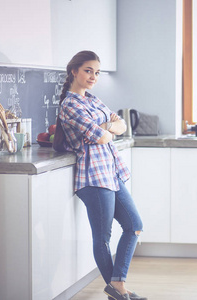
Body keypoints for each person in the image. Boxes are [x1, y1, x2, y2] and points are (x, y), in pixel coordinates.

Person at [57, 50, 146, 300]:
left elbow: (121, 125)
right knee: (103, 237)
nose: (93, 76)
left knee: (134, 225)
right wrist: (106, 127)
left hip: (111, 173)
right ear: (74, 71)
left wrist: (105, 126)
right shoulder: (69, 104)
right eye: (88, 70)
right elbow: (103, 136)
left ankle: (116, 286)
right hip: (93, 178)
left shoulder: (93, 99)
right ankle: (118, 290)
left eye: (96, 72)